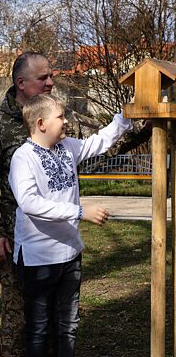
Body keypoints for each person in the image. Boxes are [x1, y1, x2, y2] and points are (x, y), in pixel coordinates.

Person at [0, 51, 151, 357]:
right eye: (43, 78)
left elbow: (94, 145)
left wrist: (127, 118)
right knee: (21, 321)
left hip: (64, 246)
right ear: (21, 83)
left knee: (60, 323)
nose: (51, 82)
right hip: (21, 241)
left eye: (51, 76)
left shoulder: (60, 129)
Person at [8, 94, 133, 357]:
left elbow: (98, 143)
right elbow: (30, 203)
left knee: (68, 326)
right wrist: (78, 211)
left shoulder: (68, 148)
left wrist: (125, 116)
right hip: (38, 260)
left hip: (70, 255)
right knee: (39, 329)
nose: (66, 122)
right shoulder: (23, 157)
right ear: (41, 123)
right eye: (61, 117)